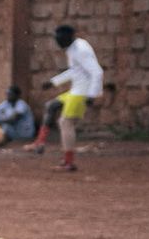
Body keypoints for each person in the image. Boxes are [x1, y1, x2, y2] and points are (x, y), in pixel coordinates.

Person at [28, 23, 104, 172]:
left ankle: (69, 162)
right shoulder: (72, 48)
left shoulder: (81, 49)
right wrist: (53, 82)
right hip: (76, 89)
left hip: (82, 92)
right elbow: (75, 71)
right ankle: (40, 142)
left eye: (60, 38)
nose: (58, 42)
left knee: (65, 123)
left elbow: (97, 72)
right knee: (52, 105)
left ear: (69, 37)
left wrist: (92, 95)